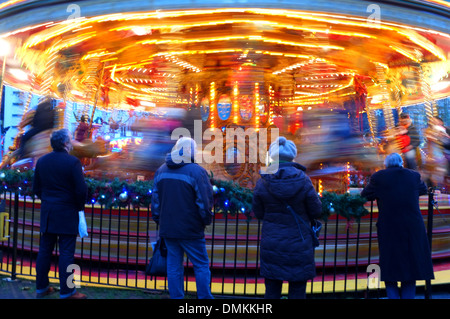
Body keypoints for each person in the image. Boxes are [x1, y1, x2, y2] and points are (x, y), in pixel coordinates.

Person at [252, 136, 322, 299]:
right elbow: (316, 210)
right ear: (292, 156)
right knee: (297, 290)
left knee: (272, 290)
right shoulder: (304, 180)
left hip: (272, 243)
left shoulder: (263, 182)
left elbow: (258, 212)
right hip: (299, 243)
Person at [360, 153, 434, 299]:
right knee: (410, 269)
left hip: (390, 228)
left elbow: (365, 195)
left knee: (390, 268)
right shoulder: (413, 176)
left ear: (386, 164)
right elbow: (423, 190)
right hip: (411, 228)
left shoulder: (379, 177)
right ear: (401, 163)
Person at [151, 137, 214, 299]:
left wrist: (160, 220)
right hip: (190, 229)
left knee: (173, 266)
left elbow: (155, 202)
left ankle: (176, 297)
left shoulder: (161, 170)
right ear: (191, 152)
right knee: (200, 265)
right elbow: (204, 202)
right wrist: (205, 220)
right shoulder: (197, 172)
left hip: (169, 228)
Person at [33, 129, 88, 299]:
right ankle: (68, 291)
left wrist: (48, 200)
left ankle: (41, 288)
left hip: (48, 212)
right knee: (66, 254)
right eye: (70, 140)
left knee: (44, 251)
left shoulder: (42, 161)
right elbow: (81, 189)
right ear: (65, 143)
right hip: (67, 212)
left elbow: (36, 188)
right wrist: (78, 206)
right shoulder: (72, 162)